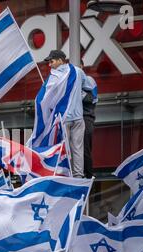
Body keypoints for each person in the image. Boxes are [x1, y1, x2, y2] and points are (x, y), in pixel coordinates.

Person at [43, 50, 95, 178]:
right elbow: (89, 86)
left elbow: (47, 99)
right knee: (78, 149)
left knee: (63, 149)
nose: (50, 65)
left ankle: (66, 176)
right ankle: (78, 176)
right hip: (78, 118)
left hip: (63, 118)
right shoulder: (77, 71)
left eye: (52, 61)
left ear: (61, 60)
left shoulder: (53, 77)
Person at [80, 60, 98, 179]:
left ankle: (88, 175)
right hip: (75, 119)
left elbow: (92, 99)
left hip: (86, 117)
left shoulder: (89, 80)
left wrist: (76, 92)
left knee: (84, 147)